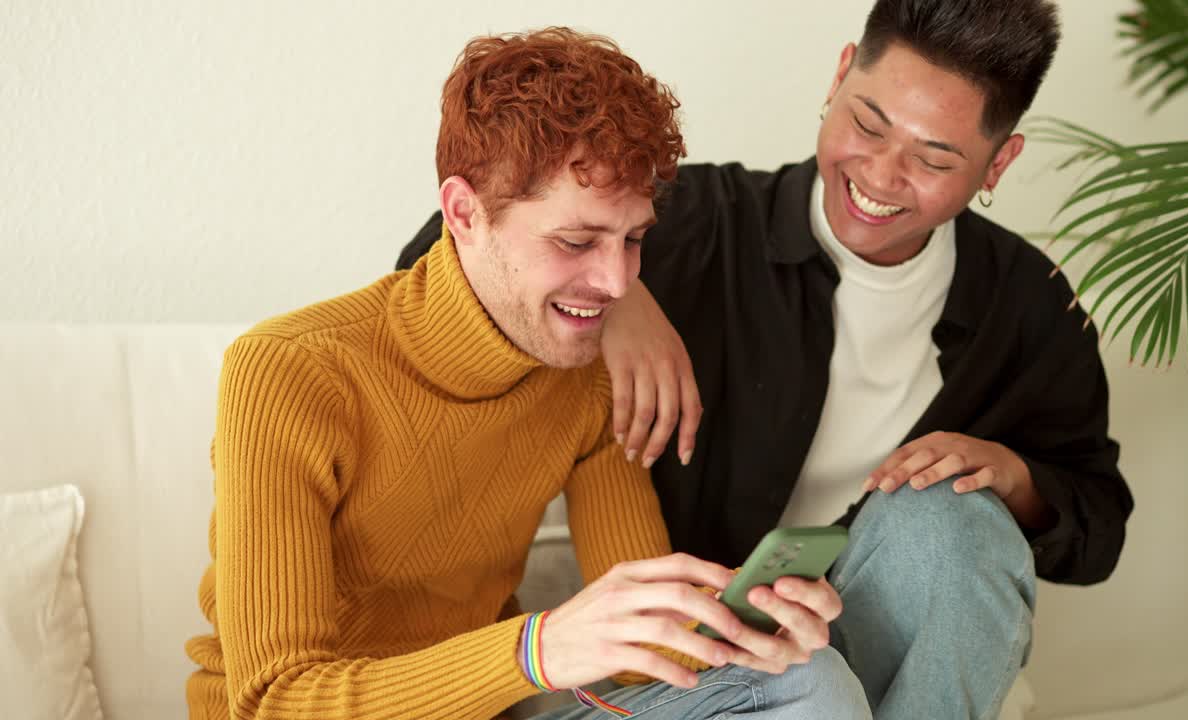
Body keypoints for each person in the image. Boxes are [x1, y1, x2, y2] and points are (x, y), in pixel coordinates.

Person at [400, 2, 1136, 718]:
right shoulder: (698, 224)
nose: (880, 176)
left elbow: (1098, 527)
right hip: (688, 666)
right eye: (867, 125)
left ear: (998, 161)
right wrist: (618, 301)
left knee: (956, 521)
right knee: (805, 683)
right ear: (840, 76)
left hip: (867, 651)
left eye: (934, 158)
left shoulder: (1027, 305)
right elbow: (446, 250)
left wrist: (1013, 478)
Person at [186, 27, 871, 720]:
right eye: (576, 241)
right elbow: (274, 701)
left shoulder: (586, 373)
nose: (618, 280)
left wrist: (748, 619)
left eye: (634, 239)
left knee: (807, 680)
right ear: (463, 213)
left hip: (490, 710)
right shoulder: (288, 371)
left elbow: (652, 656)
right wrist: (534, 650)